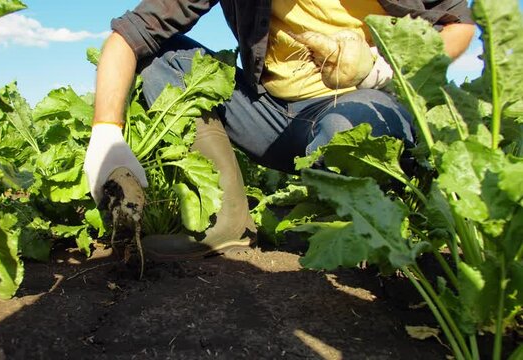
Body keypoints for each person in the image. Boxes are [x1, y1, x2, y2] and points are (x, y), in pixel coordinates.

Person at [83, 0, 476, 261]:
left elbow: (459, 24)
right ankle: (229, 220)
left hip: (358, 105)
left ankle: (359, 216)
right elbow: (128, 37)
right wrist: (106, 135)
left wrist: (386, 67)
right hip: (270, 118)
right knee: (162, 55)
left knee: (346, 128)